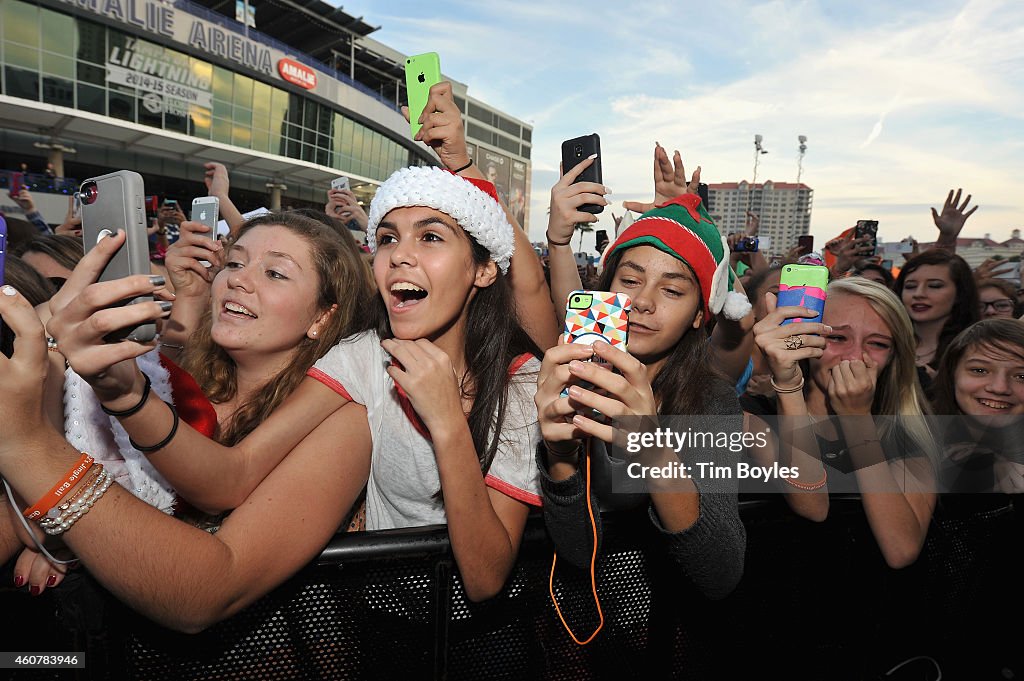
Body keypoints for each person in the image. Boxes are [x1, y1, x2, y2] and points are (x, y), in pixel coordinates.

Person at [536, 151, 749, 599]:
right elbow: (577, 551)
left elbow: (720, 573)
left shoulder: (711, 402)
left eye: (672, 290)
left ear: (698, 315)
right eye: (629, 281)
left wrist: (653, 449)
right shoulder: (574, 380)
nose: (643, 302)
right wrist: (559, 456)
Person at [748, 276, 938, 568]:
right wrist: (788, 385)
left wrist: (856, 420)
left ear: (894, 357)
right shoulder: (756, 415)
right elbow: (811, 505)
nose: (854, 357)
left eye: (877, 344)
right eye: (837, 337)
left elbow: (901, 549)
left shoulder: (907, 435)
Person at [894, 250, 979, 391]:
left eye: (934, 286)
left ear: (960, 293)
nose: (919, 294)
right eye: (910, 286)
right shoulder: (886, 342)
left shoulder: (975, 348)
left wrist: (941, 388)